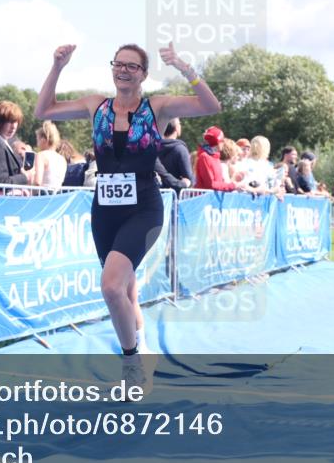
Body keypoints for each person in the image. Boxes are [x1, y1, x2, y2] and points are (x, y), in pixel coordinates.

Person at [34, 41, 222, 390]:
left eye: (132, 66)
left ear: (143, 74)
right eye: (118, 64)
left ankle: (132, 361)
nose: (123, 70)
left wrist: (183, 66)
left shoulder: (158, 108)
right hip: (105, 210)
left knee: (110, 287)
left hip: (144, 208)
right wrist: (57, 66)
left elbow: (211, 105)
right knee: (126, 291)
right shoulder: (96, 106)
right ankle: (144, 348)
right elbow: (42, 111)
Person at [0, 100, 34, 185]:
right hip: (2, 197)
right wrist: (25, 177)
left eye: (16, 122)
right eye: (10, 121)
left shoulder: (0, 141)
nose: (14, 126)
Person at [196, 127, 244, 191]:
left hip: (214, 199)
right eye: (222, 140)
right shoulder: (204, 157)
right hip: (205, 199)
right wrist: (232, 185)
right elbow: (210, 184)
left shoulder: (216, 157)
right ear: (217, 142)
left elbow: (219, 183)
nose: (223, 143)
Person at [157, 118, 193, 191]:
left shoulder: (152, 148)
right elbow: (188, 178)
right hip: (177, 195)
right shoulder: (180, 149)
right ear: (176, 128)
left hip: (157, 195)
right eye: (179, 123)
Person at [32, 120, 67, 189]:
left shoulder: (41, 155)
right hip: (58, 196)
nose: (37, 143)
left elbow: (37, 182)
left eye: (38, 139)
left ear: (43, 139)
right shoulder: (62, 159)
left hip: (43, 196)